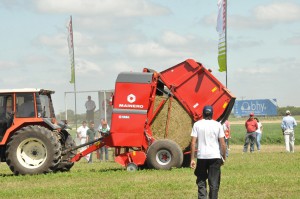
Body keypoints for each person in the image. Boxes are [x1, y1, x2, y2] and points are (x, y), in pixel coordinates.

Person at [190, 105, 226, 199]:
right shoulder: (217, 125)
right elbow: (222, 144)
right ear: (212, 114)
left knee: (201, 180)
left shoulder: (197, 124)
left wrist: (192, 159)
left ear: (203, 114)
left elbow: (193, 143)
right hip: (215, 157)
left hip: (201, 157)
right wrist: (224, 157)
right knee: (214, 183)